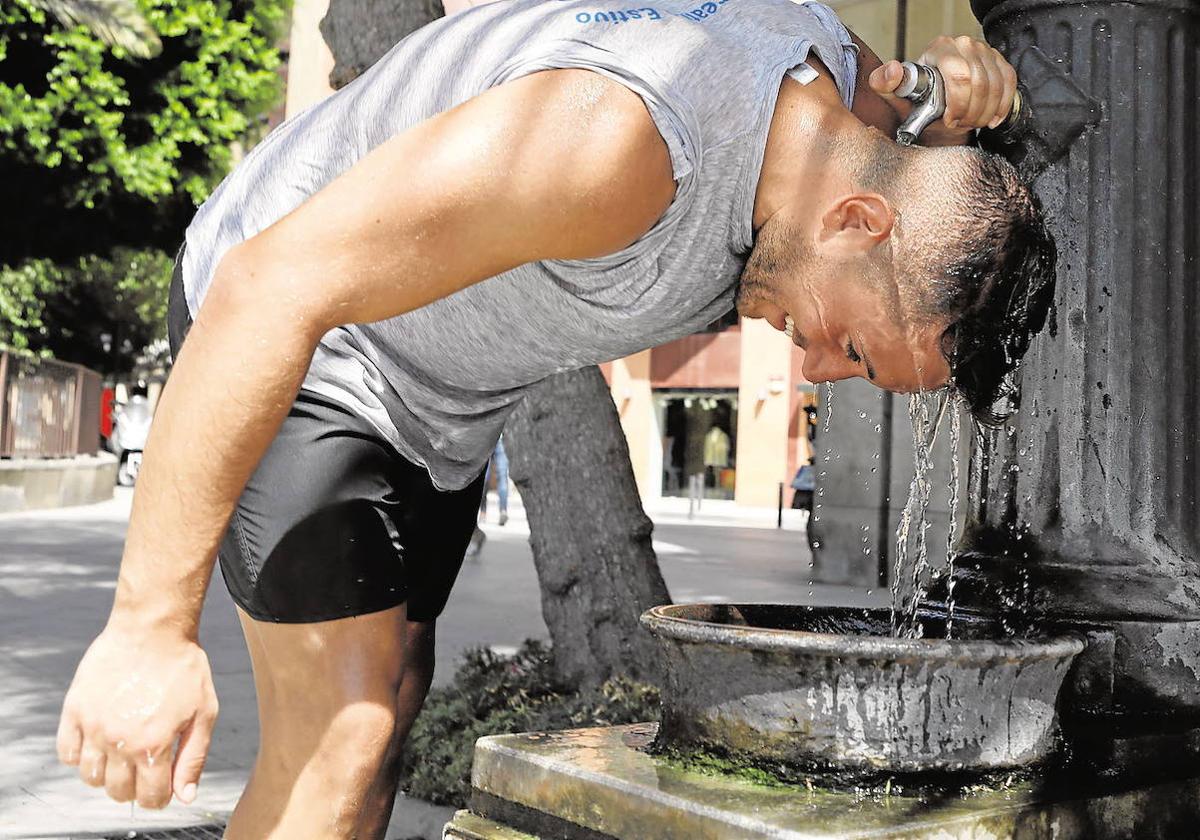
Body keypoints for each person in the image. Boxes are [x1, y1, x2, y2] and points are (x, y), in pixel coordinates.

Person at [56, 0, 1056, 836]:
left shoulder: (853, 116)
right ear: (856, 223)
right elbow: (268, 286)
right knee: (341, 731)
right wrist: (147, 630)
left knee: (392, 699)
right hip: (309, 339)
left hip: (445, 395)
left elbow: (915, 156)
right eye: (857, 345)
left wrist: (955, 106)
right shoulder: (613, 142)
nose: (821, 367)